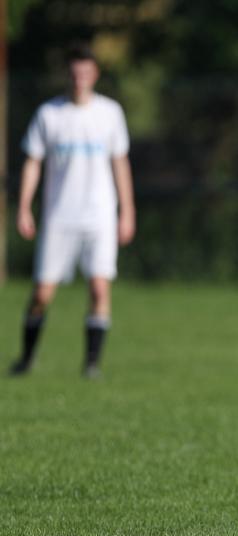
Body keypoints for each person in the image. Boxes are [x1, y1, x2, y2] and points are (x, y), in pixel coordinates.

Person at [10, 44, 135, 378]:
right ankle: (25, 358)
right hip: (59, 216)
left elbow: (120, 164)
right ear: (68, 74)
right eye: (74, 72)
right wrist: (24, 207)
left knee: (99, 288)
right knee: (42, 293)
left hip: (99, 216)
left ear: (94, 74)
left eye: (86, 72)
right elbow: (32, 164)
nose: (80, 79)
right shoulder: (50, 114)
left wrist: (127, 211)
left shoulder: (110, 113)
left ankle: (91, 364)